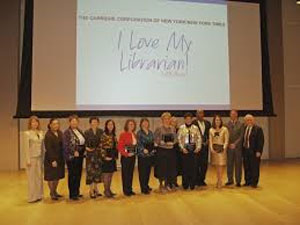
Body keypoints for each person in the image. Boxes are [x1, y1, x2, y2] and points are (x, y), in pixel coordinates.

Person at [63, 115, 86, 201]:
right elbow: (65, 145)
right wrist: (73, 152)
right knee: (72, 175)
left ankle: (76, 191)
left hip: (79, 156)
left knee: (78, 175)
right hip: (71, 157)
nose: (74, 123)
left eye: (76, 121)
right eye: (72, 121)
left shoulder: (79, 131)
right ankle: (72, 194)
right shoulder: (67, 132)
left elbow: (82, 142)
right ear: (69, 122)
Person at [154, 112, 177, 193]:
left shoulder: (172, 128)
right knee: (162, 169)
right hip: (162, 151)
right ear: (162, 120)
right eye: (165, 119)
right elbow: (155, 139)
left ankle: (167, 184)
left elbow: (175, 139)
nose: (167, 120)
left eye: (168, 118)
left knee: (169, 169)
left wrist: (173, 143)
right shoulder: (159, 128)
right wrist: (160, 142)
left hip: (170, 151)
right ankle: (161, 185)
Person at [177, 113, 202, 190]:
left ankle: (192, 184)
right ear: (184, 120)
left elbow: (199, 138)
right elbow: (179, 139)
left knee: (193, 168)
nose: (188, 120)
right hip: (185, 150)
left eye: (189, 119)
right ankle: (185, 184)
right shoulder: (181, 128)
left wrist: (198, 147)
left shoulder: (196, 128)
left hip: (194, 150)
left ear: (192, 119)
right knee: (185, 168)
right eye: (186, 119)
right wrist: (182, 148)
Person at [23, 116, 44, 203]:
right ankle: (32, 197)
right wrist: (27, 160)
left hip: (39, 158)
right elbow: (26, 148)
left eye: (36, 122)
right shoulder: (27, 133)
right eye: (33, 122)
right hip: (31, 158)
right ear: (30, 124)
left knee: (39, 177)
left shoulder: (41, 132)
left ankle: (39, 195)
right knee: (31, 178)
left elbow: (42, 147)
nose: (35, 124)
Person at [44, 118, 65, 200]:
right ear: (50, 125)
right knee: (51, 177)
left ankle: (55, 191)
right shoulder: (48, 135)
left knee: (57, 176)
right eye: (54, 124)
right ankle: (52, 192)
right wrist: (53, 160)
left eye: (57, 124)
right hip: (51, 159)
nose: (56, 125)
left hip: (60, 158)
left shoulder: (60, 133)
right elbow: (48, 149)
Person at [242, 114, 264, 188]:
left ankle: (254, 182)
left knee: (254, 167)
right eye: (247, 120)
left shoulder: (258, 129)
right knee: (247, 167)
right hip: (246, 151)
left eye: (250, 120)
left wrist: (259, 151)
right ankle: (248, 181)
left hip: (254, 152)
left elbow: (260, 141)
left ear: (253, 120)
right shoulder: (245, 128)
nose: (249, 121)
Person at [84, 117, 103, 198]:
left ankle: (96, 188)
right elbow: (83, 143)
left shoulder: (101, 131)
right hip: (90, 155)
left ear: (98, 123)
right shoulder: (87, 132)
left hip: (98, 155)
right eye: (93, 122)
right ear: (90, 123)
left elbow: (103, 141)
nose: (94, 123)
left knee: (97, 173)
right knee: (90, 173)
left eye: (96, 122)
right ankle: (91, 190)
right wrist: (86, 148)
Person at [117, 119, 137, 196]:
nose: (131, 125)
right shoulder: (123, 134)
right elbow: (120, 147)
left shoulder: (134, 134)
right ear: (126, 125)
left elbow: (135, 146)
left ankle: (130, 189)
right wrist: (126, 154)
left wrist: (135, 152)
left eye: (132, 124)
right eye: (130, 124)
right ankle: (126, 191)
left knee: (131, 174)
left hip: (132, 157)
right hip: (126, 157)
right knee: (125, 174)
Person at [209, 115, 229, 189]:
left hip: (222, 150)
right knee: (217, 166)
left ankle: (220, 181)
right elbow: (210, 140)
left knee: (221, 165)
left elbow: (226, 140)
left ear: (221, 121)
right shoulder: (211, 130)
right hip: (214, 150)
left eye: (219, 120)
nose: (217, 121)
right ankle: (218, 179)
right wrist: (211, 148)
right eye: (216, 120)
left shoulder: (225, 129)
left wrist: (223, 148)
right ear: (214, 121)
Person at [100, 119, 118, 198]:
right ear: (106, 126)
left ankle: (108, 190)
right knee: (106, 175)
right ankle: (106, 191)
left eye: (112, 124)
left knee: (110, 174)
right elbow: (101, 147)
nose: (110, 126)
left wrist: (116, 156)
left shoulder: (113, 135)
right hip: (106, 156)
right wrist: (104, 157)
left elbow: (115, 146)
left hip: (112, 156)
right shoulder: (103, 135)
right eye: (109, 124)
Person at [226, 110, 244, 187]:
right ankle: (230, 180)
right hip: (229, 148)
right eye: (231, 114)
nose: (233, 115)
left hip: (238, 148)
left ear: (237, 115)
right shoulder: (226, 125)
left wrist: (235, 144)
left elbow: (241, 136)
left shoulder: (241, 124)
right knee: (229, 164)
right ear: (230, 115)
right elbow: (226, 136)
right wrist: (229, 144)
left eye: (234, 114)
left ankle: (238, 181)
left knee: (238, 165)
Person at [193, 109, 211, 186]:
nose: (201, 114)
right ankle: (196, 180)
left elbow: (210, 134)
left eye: (202, 113)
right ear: (196, 114)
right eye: (199, 113)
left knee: (204, 164)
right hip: (196, 147)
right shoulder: (193, 123)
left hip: (205, 147)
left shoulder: (207, 123)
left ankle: (202, 180)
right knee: (196, 164)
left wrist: (209, 140)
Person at [137, 118, 155, 195]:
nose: (145, 124)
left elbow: (152, 142)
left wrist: (153, 149)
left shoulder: (150, 132)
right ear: (141, 124)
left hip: (150, 155)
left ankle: (146, 185)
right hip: (142, 155)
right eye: (143, 123)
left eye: (146, 123)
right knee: (142, 173)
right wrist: (143, 149)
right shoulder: (139, 133)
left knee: (148, 172)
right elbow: (138, 144)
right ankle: (143, 188)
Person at [170, 116, 181, 188]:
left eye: (176, 122)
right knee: (170, 167)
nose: (174, 123)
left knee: (176, 167)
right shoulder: (168, 129)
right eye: (173, 121)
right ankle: (170, 182)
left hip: (177, 150)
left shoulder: (178, 130)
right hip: (169, 149)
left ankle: (175, 181)